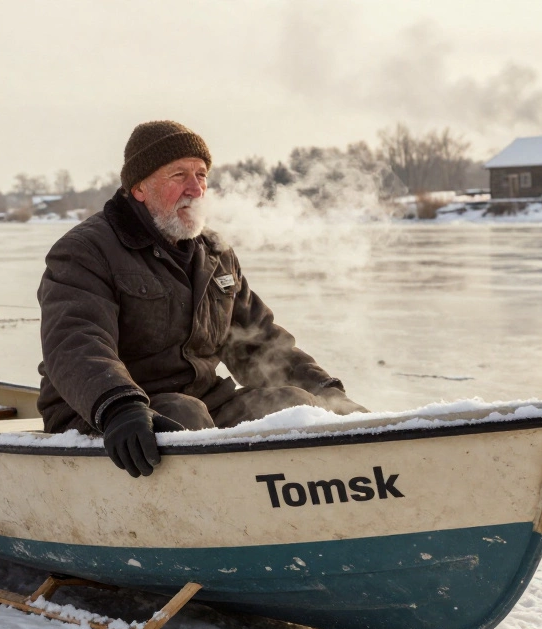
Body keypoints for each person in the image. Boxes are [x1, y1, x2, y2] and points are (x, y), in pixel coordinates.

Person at [37, 120, 367, 477]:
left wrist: (328, 395)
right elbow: (76, 343)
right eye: (178, 175)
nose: (195, 189)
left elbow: (259, 344)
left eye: (201, 174)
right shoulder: (85, 251)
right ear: (139, 188)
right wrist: (119, 406)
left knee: (295, 405)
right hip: (104, 414)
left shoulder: (214, 253)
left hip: (202, 403)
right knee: (184, 413)